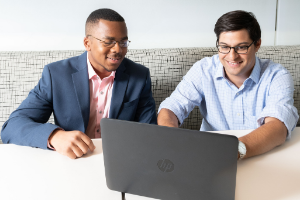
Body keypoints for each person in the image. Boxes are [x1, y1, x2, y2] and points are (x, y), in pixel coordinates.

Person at [1, 8, 157, 159]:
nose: (118, 49)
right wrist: (54, 136)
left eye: (123, 42)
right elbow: (12, 127)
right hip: (73, 162)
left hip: (121, 160)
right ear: (87, 43)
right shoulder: (56, 75)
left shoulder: (140, 76)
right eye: (109, 42)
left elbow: (149, 134)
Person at [157, 10, 299, 159]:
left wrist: (230, 151)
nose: (232, 56)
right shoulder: (203, 70)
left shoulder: (277, 75)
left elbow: (277, 128)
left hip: (262, 155)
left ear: (257, 44)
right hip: (206, 155)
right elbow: (171, 108)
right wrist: (173, 141)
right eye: (224, 46)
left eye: (241, 47)